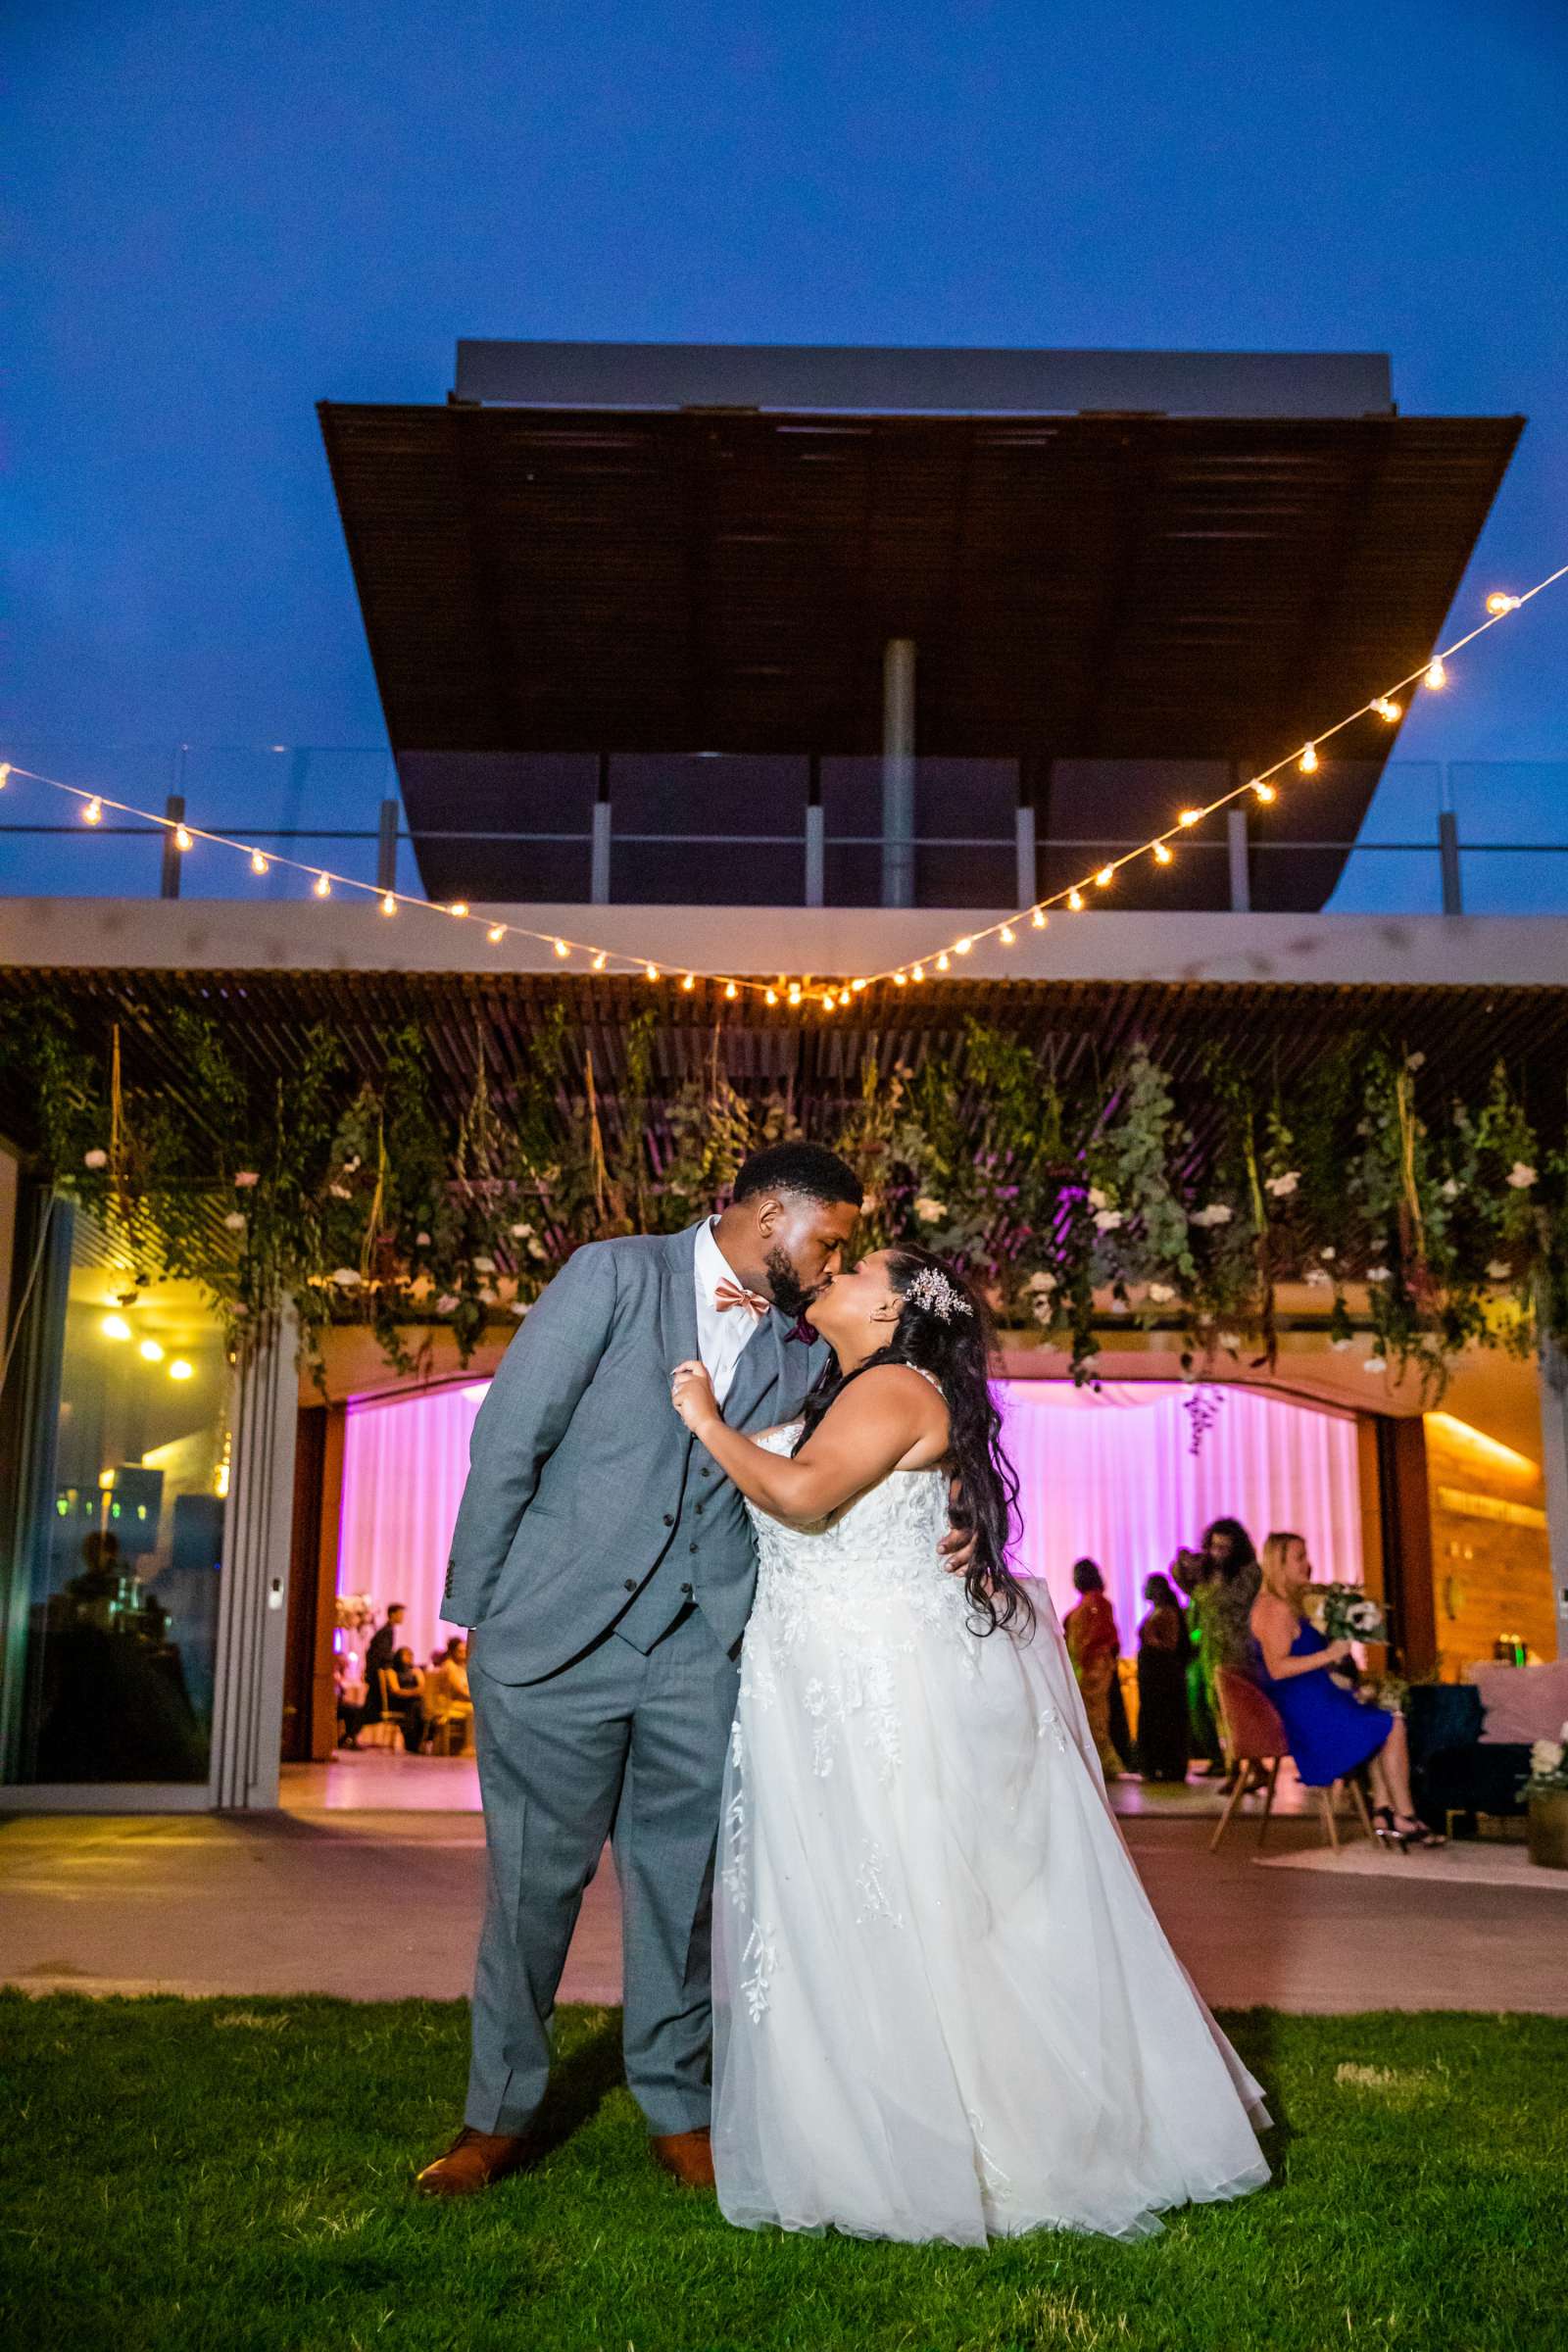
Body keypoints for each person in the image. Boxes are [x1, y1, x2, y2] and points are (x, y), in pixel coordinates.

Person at [671, 1245, 1270, 2244]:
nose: (832, 1270)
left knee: (902, 1907)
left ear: (900, 1305)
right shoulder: (859, 1386)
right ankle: (883, 2130)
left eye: (855, 1265)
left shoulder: (893, 1388)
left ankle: (953, 2148)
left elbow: (798, 1494)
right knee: (870, 1908)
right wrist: (755, 1312)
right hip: (831, 1679)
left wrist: (702, 1422)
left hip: (875, 1690)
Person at [416, 1144, 978, 2200]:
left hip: (700, 1651)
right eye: (832, 1240)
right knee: (533, 1890)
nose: (833, 1263)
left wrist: (954, 1506)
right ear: (773, 1216)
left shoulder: (810, 1347)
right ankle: (496, 2115)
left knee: (678, 1897)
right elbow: (509, 1443)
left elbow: (868, 1443)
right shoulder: (611, 1276)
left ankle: (675, 2106)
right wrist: (482, 1615)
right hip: (553, 1645)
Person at [1250, 1532, 1442, 1849]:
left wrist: (1349, 1685)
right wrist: (1331, 1653)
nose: (1307, 1564)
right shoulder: (1274, 1609)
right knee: (1391, 1724)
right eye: (1299, 1557)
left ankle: (1384, 1813)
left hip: (1319, 1697)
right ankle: (1404, 1815)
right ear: (1278, 1564)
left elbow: (1305, 1665)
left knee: (1382, 1717)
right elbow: (1278, 1669)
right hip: (1305, 1711)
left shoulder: (1288, 1606)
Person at [1172, 1519, 1261, 1783]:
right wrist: (1186, 1563)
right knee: (1218, 1710)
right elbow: (1179, 1577)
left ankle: (1241, 1768)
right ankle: (1241, 1768)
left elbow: (1229, 1600)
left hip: (1238, 1651)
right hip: (1211, 1651)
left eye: (1225, 1547)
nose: (1219, 1553)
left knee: (1237, 1712)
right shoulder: (1209, 1573)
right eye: (1215, 1546)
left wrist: (1203, 1581)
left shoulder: (1248, 1572)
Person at [1062, 1559, 1123, 1781]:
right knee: (1089, 1716)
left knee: (1095, 1716)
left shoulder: (1097, 1603)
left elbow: (1101, 1637)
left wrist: (1086, 1658)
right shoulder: (1087, 1604)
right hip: (1085, 1668)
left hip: (1093, 1670)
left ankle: (1105, 1764)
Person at [1136, 1572, 1192, 1783]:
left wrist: (1151, 1643)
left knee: (1164, 1720)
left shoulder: (1166, 1613)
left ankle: (1165, 1765)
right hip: (1155, 1677)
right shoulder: (1159, 1612)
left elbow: (1170, 1644)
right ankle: (1158, 1764)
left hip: (1162, 1678)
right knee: (1158, 1719)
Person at [361, 1602, 407, 1733]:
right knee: (371, 1707)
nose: (402, 1617)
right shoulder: (387, 1631)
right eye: (400, 1614)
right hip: (377, 1674)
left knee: (370, 1707)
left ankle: (352, 1734)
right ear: (392, 1614)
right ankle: (351, 1734)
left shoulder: (387, 1630)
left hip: (375, 1672)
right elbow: (382, 1653)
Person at [387, 1645, 426, 1754]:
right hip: (399, 1702)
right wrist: (411, 1693)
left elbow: (422, 1687)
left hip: (413, 1701)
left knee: (418, 1706)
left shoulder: (416, 1670)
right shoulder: (392, 1671)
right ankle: (412, 1744)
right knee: (415, 1705)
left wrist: (413, 1693)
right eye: (406, 1655)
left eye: (411, 1655)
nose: (410, 1657)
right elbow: (395, 1690)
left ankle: (415, 1742)